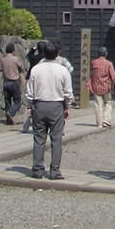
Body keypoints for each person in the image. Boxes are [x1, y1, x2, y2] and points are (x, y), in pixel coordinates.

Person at [25, 41, 72, 180]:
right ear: (58, 54)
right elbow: (68, 92)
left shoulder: (36, 69)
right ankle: (54, 170)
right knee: (56, 139)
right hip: (56, 105)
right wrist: (67, 106)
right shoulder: (62, 70)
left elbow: (29, 91)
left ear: (43, 53)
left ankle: (37, 169)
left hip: (39, 104)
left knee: (39, 138)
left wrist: (29, 105)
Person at [86, 46, 115, 128]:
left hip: (96, 86)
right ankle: (106, 120)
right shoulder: (109, 64)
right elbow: (113, 76)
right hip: (106, 86)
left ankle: (99, 123)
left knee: (98, 105)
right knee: (108, 103)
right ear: (106, 54)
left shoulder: (94, 63)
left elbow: (92, 73)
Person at [0, 42, 26, 124]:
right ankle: (10, 113)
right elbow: (21, 66)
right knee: (17, 101)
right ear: (13, 50)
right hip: (14, 82)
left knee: (7, 101)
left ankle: (8, 120)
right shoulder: (15, 59)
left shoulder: (2, 59)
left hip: (6, 82)